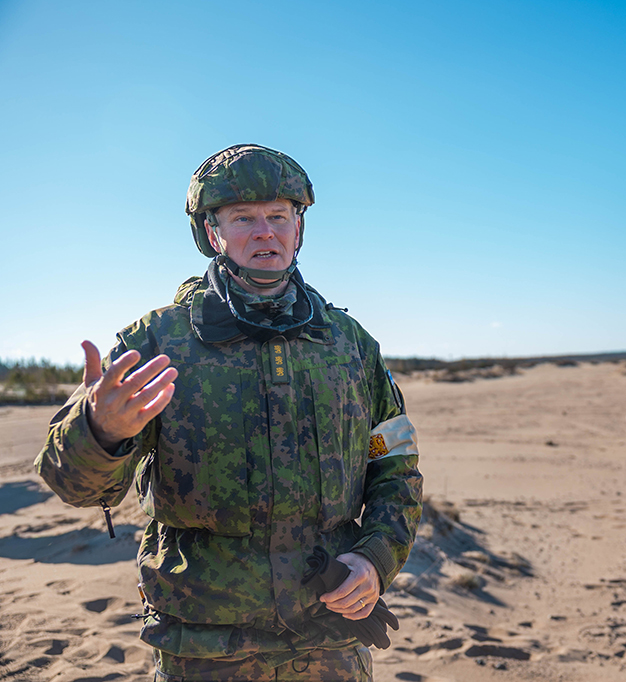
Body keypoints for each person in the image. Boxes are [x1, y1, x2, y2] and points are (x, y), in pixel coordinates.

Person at [36, 144, 423, 681]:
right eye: (243, 218)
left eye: (278, 216)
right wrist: (101, 433)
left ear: (298, 226)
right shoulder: (159, 342)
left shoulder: (350, 345)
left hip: (330, 639)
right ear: (212, 234)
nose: (265, 231)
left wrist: (376, 558)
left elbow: (396, 468)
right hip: (205, 649)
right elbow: (76, 486)